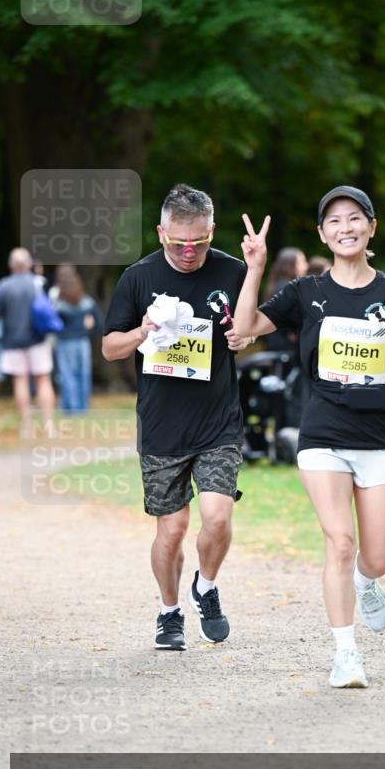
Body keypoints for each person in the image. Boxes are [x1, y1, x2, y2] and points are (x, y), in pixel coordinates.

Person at [234, 185, 385, 689]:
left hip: (383, 438)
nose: (345, 228)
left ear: (371, 227)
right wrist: (255, 268)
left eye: (354, 218)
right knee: (340, 542)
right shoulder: (305, 292)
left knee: (376, 557)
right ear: (322, 234)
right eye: (334, 221)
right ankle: (346, 654)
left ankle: (366, 583)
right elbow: (244, 327)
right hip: (322, 435)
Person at [102, 183, 254, 651]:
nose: (189, 252)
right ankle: (169, 612)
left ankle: (205, 587)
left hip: (217, 421)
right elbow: (109, 348)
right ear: (160, 232)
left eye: (200, 242)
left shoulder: (233, 271)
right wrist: (142, 331)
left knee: (218, 519)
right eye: (178, 242)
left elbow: (249, 328)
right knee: (171, 530)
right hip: (162, 425)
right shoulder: (138, 277)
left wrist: (245, 337)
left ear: (212, 231)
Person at [0, 247, 56, 437]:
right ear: (28, 264)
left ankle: (26, 427)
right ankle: (48, 426)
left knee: (20, 381)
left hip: (13, 342)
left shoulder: (4, 286)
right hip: (37, 340)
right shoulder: (37, 284)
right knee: (43, 380)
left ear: (11, 265)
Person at [54, 269, 104, 413]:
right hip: (83, 342)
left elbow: (53, 325)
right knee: (84, 374)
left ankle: (72, 408)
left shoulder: (59, 305)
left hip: (65, 343)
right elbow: (99, 323)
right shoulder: (87, 302)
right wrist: (89, 333)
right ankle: (83, 407)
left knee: (67, 375)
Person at [263, 247, 308, 354]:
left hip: (276, 346)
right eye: (302, 262)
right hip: (286, 349)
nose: (306, 266)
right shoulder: (287, 288)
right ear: (291, 265)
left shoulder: (277, 285)